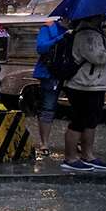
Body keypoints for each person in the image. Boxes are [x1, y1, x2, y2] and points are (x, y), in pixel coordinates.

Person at [61, 15, 106, 172]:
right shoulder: (87, 34)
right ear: (95, 15)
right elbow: (99, 57)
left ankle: (88, 155)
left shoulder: (94, 32)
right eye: (102, 13)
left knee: (91, 121)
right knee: (79, 121)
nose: (105, 16)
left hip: (93, 85)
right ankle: (70, 157)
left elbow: (95, 61)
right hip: (83, 86)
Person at [31, 17, 68, 157]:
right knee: (48, 107)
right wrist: (60, 38)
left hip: (71, 73)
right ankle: (44, 143)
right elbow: (41, 47)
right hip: (50, 73)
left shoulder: (79, 29)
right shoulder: (49, 27)